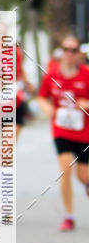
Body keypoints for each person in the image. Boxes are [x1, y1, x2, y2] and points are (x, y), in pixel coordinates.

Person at [37, 34, 89, 231]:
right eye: (65, 49)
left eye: (73, 50)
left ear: (79, 54)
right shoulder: (51, 75)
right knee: (65, 170)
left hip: (84, 132)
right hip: (61, 129)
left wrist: (86, 103)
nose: (68, 54)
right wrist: (47, 108)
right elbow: (42, 97)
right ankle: (69, 215)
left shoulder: (86, 74)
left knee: (83, 176)